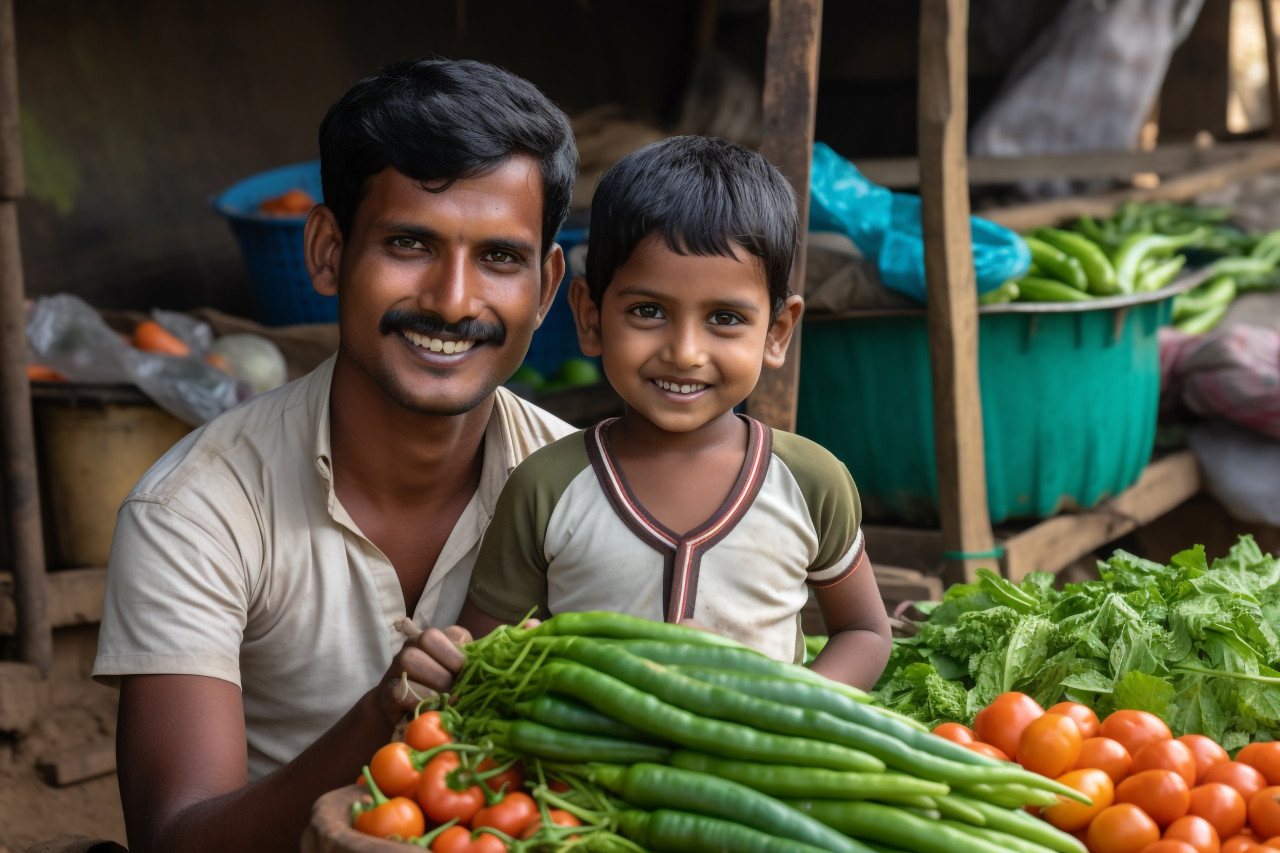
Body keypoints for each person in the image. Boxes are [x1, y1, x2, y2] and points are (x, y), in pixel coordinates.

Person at [91, 56, 578, 852]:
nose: (454, 301)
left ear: (548, 285)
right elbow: (173, 838)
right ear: (326, 251)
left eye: (499, 257)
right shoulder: (195, 510)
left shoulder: (590, 495)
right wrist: (380, 717)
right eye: (410, 242)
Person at [455, 135, 893, 690]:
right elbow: (485, 661)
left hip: (757, 774)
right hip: (586, 774)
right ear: (590, 317)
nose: (684, 352)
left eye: (726, 318)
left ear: (777, 333)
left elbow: (865, 633)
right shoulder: (546, 488)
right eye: (648, 311)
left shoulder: (809, 483)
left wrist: (796, 710)